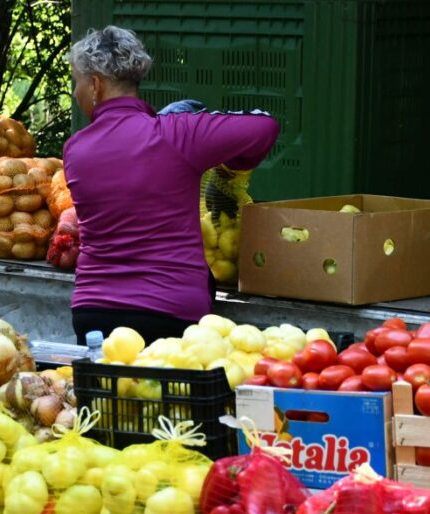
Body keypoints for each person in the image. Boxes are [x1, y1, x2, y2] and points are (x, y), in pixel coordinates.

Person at [63, 26, 280, 344]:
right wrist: (233, 168)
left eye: (76, 83)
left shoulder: (75, 149)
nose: (76, 92)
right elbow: (265, 126)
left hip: (94, 314)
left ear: (95, 85)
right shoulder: (177, 134)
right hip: (170, 315)